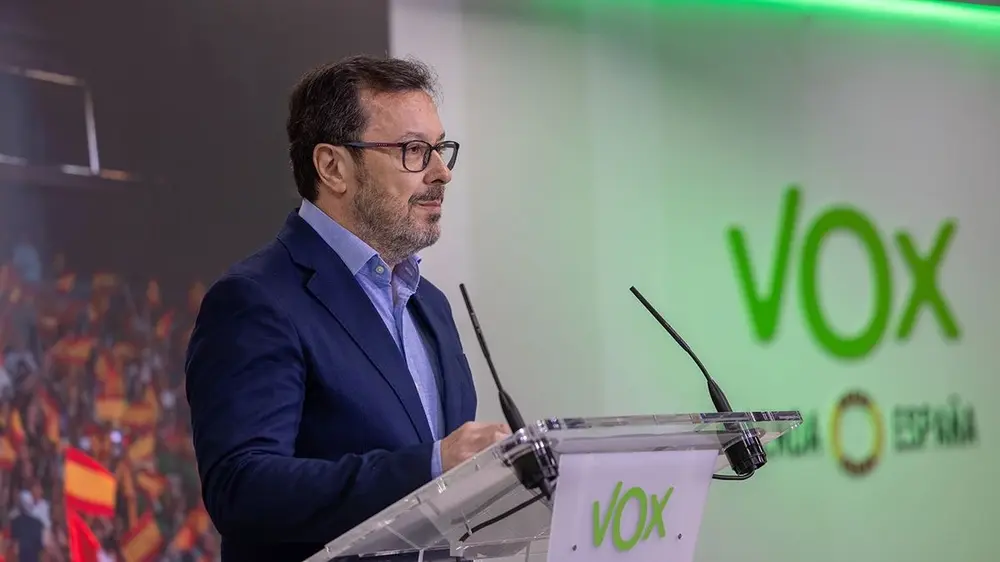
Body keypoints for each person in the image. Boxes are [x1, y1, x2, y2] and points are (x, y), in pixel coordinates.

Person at [184, 55, 511, 562]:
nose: (442, 172)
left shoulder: (431, 305)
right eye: (413, 151)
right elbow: (242, 487)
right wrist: (432, 465)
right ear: (332, 167)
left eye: (441, 149)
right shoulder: (256, 299)